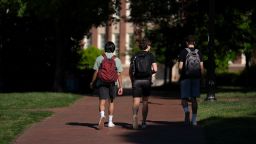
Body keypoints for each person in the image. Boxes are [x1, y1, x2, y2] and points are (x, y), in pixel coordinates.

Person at [90, 41, 123, 130]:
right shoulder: (117, 60)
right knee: (111, 102)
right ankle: (110, 122)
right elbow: (119, 74)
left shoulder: (99, 58)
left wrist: (92, 82)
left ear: (105, 48)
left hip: (102, 82)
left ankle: (102, 115)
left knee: (102, 101)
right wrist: (120, 86)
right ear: (113, 49)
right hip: (113, 83)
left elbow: (96, 72)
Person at [129, 38, 157, 129]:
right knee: (145, 101)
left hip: (136, 80)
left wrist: (132, 80)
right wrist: (150, 72)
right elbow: (155, 69)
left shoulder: (134, 55)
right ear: (148, 46)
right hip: (146, 81)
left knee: (136, 101)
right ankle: (144, 122)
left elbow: (130, 70)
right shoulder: (151, 55)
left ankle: (134, 116)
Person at [178, 35, 204, 126]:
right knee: (194, 99)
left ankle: (186, 111)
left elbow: (180, 67)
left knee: (184, 98)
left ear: (186, 43)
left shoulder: (183, 52)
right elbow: (202, 67)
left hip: (185, 78)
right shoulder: (199, 52)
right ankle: (194, 120)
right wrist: (201, 77)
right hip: (196, 78)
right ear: (194, 43)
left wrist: (181, 73)